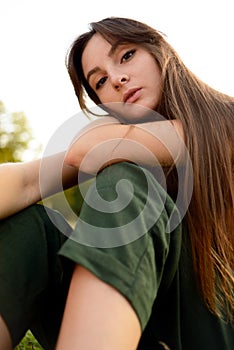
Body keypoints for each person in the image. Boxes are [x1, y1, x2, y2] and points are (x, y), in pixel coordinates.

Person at [0, 16, 233, 350]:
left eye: (126, 56)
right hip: (141, 331)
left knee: (127, 179)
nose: (118, 79)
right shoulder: (117, 144)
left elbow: (88, 149)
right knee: (32, 226)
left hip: (216, 325)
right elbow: (26, 183)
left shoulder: (227, 121)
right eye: (100, 82)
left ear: (159, 51)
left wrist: (105, 137)